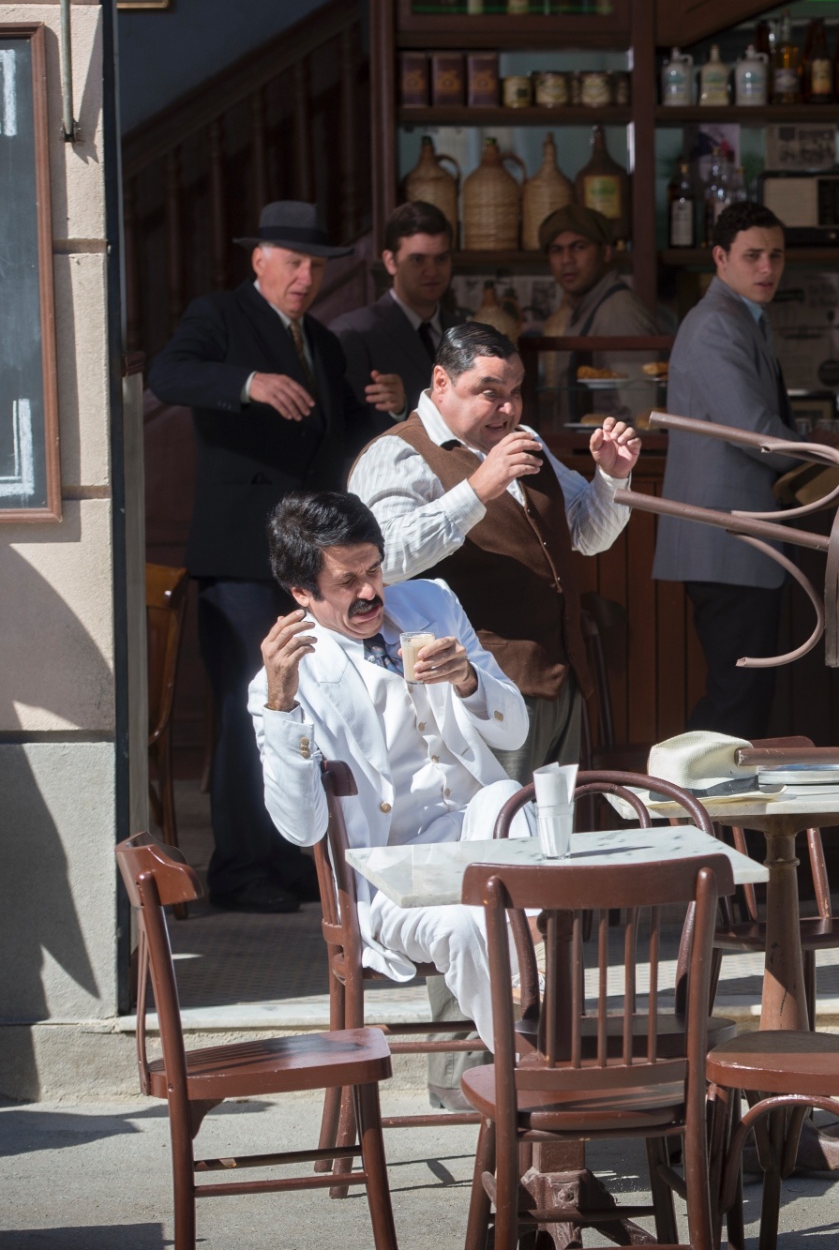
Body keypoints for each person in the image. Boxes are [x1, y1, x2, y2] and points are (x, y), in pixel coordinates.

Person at [151, 200, 389, 914]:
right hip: (239, 556)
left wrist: (394, 408)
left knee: (305, 709)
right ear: (259, 260)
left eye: (316, 264)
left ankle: (290, 862)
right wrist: (248, 383)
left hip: (305, 563)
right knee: (245, 709)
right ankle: (239, 869)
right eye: (292, 261)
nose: (306, 276)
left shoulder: (321, 338)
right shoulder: (220, 315)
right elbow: (169, 375)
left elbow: (346, 432)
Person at [250, 492, 532, 1091]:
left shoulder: (432, 602)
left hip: (474, 837)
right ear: (302, 593)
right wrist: (281, 706)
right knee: (464, 926)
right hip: (387, 880)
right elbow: (299, 828)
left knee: (508, 798)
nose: (371, 592)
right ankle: (534, 1063)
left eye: (374, 570)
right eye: (347, 581)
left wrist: (468, 679)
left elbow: (515, 728)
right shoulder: (283, 680)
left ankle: (536, 1017)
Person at [349, 322, 640, 781]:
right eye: (489, 392)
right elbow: (386, 561)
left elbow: (587, 535)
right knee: (495, 840)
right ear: (441, 382)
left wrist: (611, 478)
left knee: (553, 839)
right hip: (473, 695)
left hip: (559, 683)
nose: (508, 408)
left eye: (516, 391)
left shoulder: (524, 440)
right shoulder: (397, 454)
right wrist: (476, 492)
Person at [653, 201, 805, 740]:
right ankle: (692, 816)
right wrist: (827, 459)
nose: (767, 268)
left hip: (738, 543)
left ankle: (704, 817)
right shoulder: (717, 323)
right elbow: (751, 430)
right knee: (736, 700)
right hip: (729, 544)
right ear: (719, 257)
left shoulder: (738, 318)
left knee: (742, 698)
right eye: (752, 256)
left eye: (776, 255)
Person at [329, 200, 463, 421]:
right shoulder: (354, 333)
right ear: (390, 261)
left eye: (441, 259)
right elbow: (347, 429)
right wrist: (402, 410)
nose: (432, 271)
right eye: (417, 260)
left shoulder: (463, 333)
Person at [539, 203, 674, 418]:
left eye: (579, 247)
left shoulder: (619, 313)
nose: (567, 260)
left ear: (606, 252)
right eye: (557, 250)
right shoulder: (585, 307)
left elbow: (641, 412)